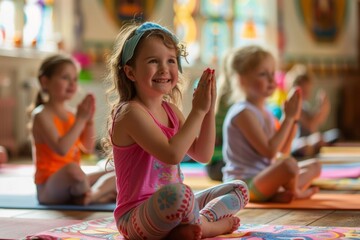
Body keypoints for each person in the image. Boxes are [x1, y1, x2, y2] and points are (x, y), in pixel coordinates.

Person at [103, 21, 249, 240]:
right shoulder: (129, 113)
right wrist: (197, 112)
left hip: (178, 209)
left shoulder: (170, 110)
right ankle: (207, 227)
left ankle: (191, 226)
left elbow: (203, 154)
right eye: (153, 61)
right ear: (130, 72)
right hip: (136, 218)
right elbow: (172, 154)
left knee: (238, 189)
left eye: (171, 60)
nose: (164, 69)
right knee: (181, 194)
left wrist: (208, 109)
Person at [220, 45, 321, 203]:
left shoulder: (266, 112)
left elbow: (283, 150)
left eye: (272, 74)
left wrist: (293, 119)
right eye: (263, 74)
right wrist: (287, 118)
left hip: (265, 178)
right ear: (242, 80)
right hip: (244, 186)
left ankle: (276, 193)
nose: (271, 80)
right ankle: (294, 192)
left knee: (315, 166)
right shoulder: (243, 113)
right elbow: (270, 151)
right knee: (289, 166)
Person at [29, 54, 116, 205]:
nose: (72, 83)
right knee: (72, 170)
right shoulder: (41, 114)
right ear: (45, 81)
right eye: (65, 77)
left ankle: (92, 196)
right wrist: (81, 119)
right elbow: (61, 149)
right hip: (48, 187)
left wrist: (88, 121)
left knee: (116, 171)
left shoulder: (72, 114)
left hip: (76, 181)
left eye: (74, 79)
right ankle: (98, 195)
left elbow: (87, 149)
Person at [284, 64, 340, 157]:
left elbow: (315, 125)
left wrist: (323, 110)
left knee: (335, 134)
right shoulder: (293, 106)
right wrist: (323, 109)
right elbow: (311, 124)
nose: (307, 94)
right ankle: (313, 149)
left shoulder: (305, 105)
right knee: (307, 145)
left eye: (308, 90)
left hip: (310, 139)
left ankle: (315, 148)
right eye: (304, 91)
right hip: (297, 142)